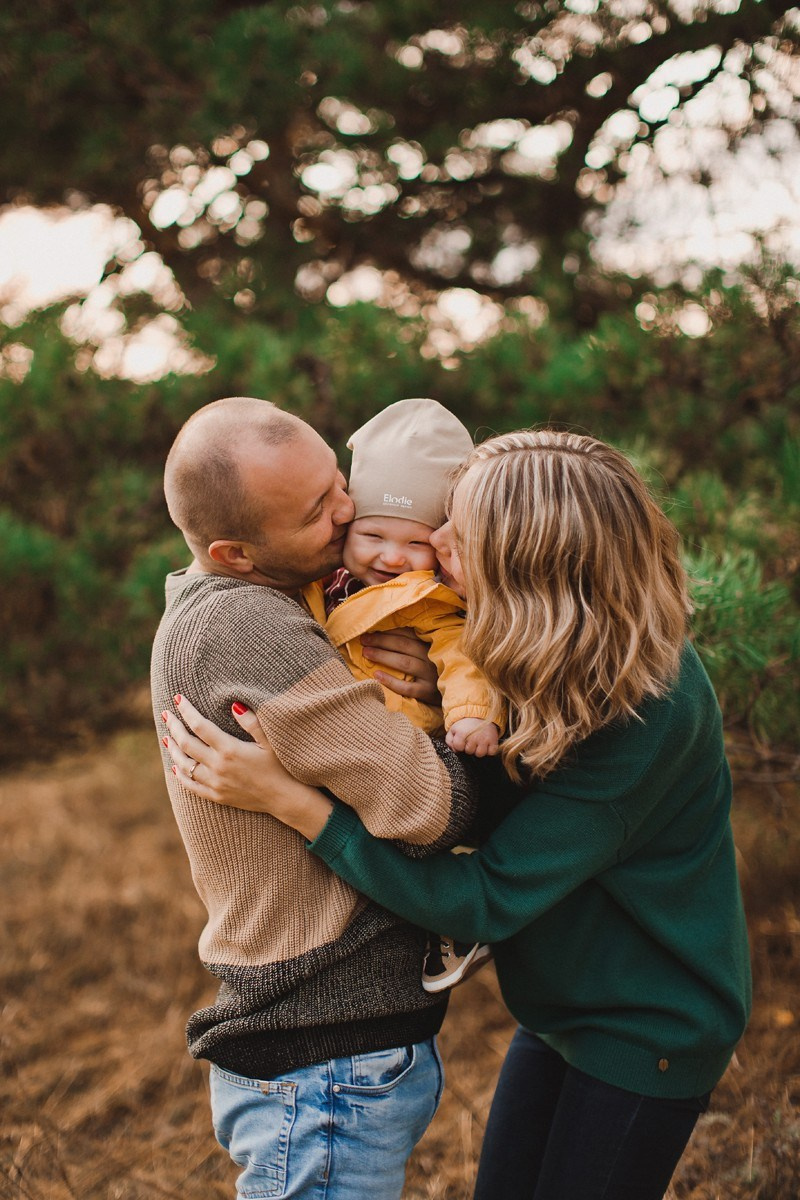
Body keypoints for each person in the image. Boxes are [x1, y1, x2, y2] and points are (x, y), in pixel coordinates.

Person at [164, 429, 752, 1200]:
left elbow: (483, 899)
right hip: (557, 1007)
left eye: (459, 535)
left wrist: (298, 806)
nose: (429, 541)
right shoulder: (539, 642)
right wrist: (442, 701)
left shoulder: (645, 708)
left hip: (649, 1026)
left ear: (529, 566)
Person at [151, 395, 480, 1200]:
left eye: (339, 480)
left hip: (326, 1053)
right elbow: (432, 807)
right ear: (234, 551)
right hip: (323, 1056)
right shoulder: (248, 629)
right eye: (315, 510)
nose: (347, 512)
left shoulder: (277, 600)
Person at [318, 396, 502, 761]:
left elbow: (462, 657)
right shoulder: (321, 577)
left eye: (416, 542)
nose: (393, 556)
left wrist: (474, 715)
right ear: (348, 526)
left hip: (399, 733)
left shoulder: (429, 599)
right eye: (372, 536)